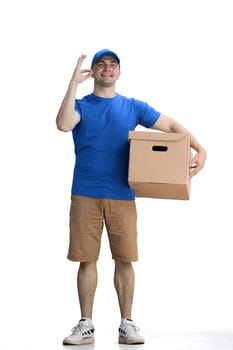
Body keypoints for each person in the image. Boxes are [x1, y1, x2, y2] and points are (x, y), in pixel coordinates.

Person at [56, 49, 206, 346]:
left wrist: (200, 149)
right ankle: (85, 325)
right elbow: (62, 124)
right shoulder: (82, 106)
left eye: (113, 65)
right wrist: (73, 82)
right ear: (93, 72)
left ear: (119, 73)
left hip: (122, 193)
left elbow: (173, 128)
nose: (107, 68)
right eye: (101, 64)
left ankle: (127, 323)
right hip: (85, 193)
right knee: (86, 260)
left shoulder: (133, 107)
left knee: (125, 260)